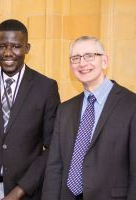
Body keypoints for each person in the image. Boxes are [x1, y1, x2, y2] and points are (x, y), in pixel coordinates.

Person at [0, 19, 60, 200]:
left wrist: (18, 192)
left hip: (27, 192)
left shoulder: (46, 88)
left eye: (16, 46)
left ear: (27, 48)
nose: (8, 53)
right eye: (1, 46)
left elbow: (53, 147)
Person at [41, 36, 136, 200]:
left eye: (89, 56)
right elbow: (54, 167)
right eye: (75, 58)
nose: (82, 63)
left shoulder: (131, 105)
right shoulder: (65, 109)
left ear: (104, 61)